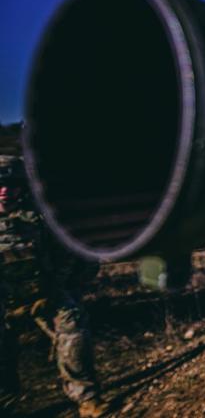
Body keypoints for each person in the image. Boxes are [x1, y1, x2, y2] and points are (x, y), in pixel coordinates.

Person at [0, 153, 108, 417]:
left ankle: (87, 398)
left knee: (73, 327)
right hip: (4, 298)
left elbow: (67, 255)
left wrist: (52, 291)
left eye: (11, 184)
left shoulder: (41, 216)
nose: (4, 190)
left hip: (45, 292)